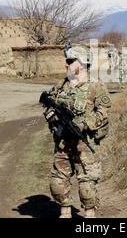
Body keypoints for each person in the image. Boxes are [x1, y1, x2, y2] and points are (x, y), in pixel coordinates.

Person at [43, 45, 112, 218]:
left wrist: (84, 124)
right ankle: (65, 213)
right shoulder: (61, 85)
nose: (66, 65)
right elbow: (49, 104)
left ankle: (89, 216)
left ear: (81, 63)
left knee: (86, 187)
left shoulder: (96, 86)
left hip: (84, 145)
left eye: (69, 61)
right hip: (63, 143)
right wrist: (50, 115)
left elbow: (103, 113)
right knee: (57, 184)